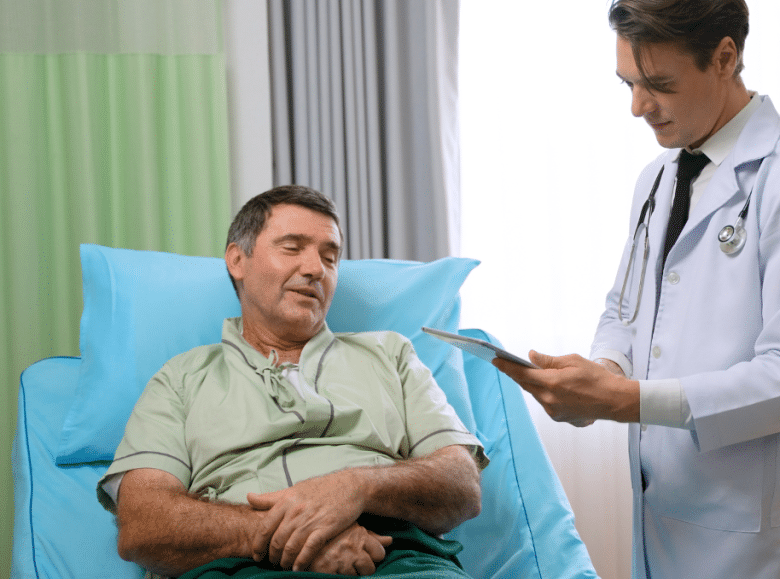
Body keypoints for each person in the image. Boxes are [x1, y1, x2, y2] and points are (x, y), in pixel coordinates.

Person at [495, 0, 780, 579]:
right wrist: (601, 375)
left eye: (659, 84)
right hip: (663, 503)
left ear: (724, 57)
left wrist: (631, 400)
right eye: (627, 84)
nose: (638, 106)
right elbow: (627, 309)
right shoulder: (658, 178)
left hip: (747, 527)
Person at [97, 185, 487, 579]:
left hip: (394, 557)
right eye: (292, 247)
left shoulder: (391, 355)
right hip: (238, 564)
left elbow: (462, 486)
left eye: (329, 256)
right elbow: (143, 525)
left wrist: (355, 487)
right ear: (237, 259)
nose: (316, 268)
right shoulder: (180, 378)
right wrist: (297, 536)